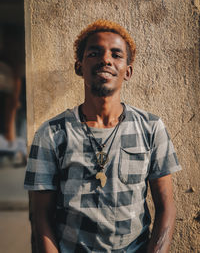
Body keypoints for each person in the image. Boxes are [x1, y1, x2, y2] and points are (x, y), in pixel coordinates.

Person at [24, 19, 182, 253]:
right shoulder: (52, 133)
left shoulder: (151, 128)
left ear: (128, 72)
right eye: (94, 53)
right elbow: (40, 216)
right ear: (79, 67)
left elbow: (166, 206)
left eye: (116, 54)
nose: (105, 59)